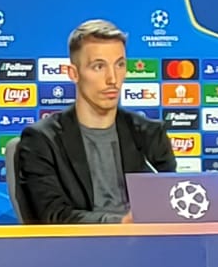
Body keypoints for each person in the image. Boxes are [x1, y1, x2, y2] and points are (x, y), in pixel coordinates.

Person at [16, 19, 177, 224]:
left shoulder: (149, 134)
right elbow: (52, 216)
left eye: (119, 65)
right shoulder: (43, 140)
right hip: (80, 249)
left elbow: (170, 204)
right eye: (99, 66)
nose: (112, 79)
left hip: (146, 247)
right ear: (73, 74)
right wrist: (119, 224)